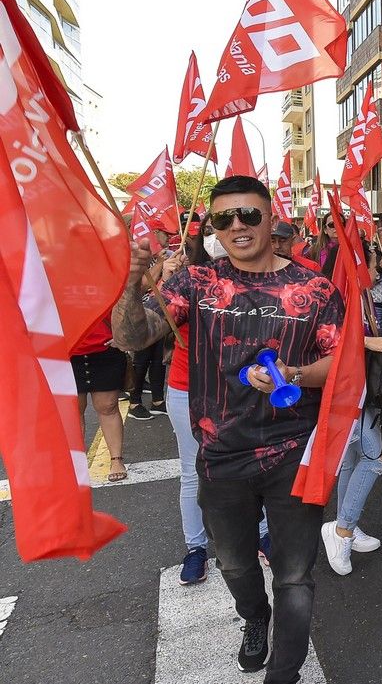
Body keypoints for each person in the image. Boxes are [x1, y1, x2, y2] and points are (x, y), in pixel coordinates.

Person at [111, 175, 344, 683]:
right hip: (220, 454)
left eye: (249, 215)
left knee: (296, 575)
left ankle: (284, 674)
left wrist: (295, 375)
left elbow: (340, 362)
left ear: (269, 215)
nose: (237, 226)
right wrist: (131, 283)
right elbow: (132, 336)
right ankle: (254, 617)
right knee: (236, 567)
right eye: (224, 219)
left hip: (293, 452)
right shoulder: (196, 282)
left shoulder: (314, 288)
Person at [320, 328, 382, 576]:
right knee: (375, 455)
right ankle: (343, 530)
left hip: (358, 380)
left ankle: (347, 525)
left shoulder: (360, 291)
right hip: (338, 383)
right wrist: (365, 341)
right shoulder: (338, 288)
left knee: (352, 457)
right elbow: (320, 333)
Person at [72, 316, 129, 483]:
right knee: (72, 411)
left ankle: (116, 460)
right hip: (66, 351)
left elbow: (124, 303)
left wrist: (123, 334)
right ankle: (76, 465)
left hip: (105, 349)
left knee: (108, 406)